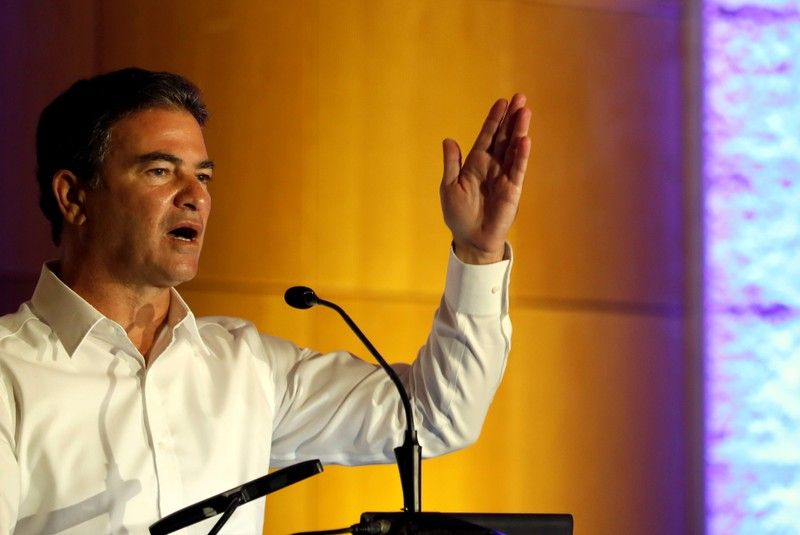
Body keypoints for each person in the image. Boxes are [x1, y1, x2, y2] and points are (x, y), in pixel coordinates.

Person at [0, 68, 531, 534]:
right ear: (73, 196)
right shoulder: (10, 375)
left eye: (203, 175)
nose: (196, 195)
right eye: (160, 171)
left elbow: (435, 416)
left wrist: (478, 251)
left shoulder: (245, 366)